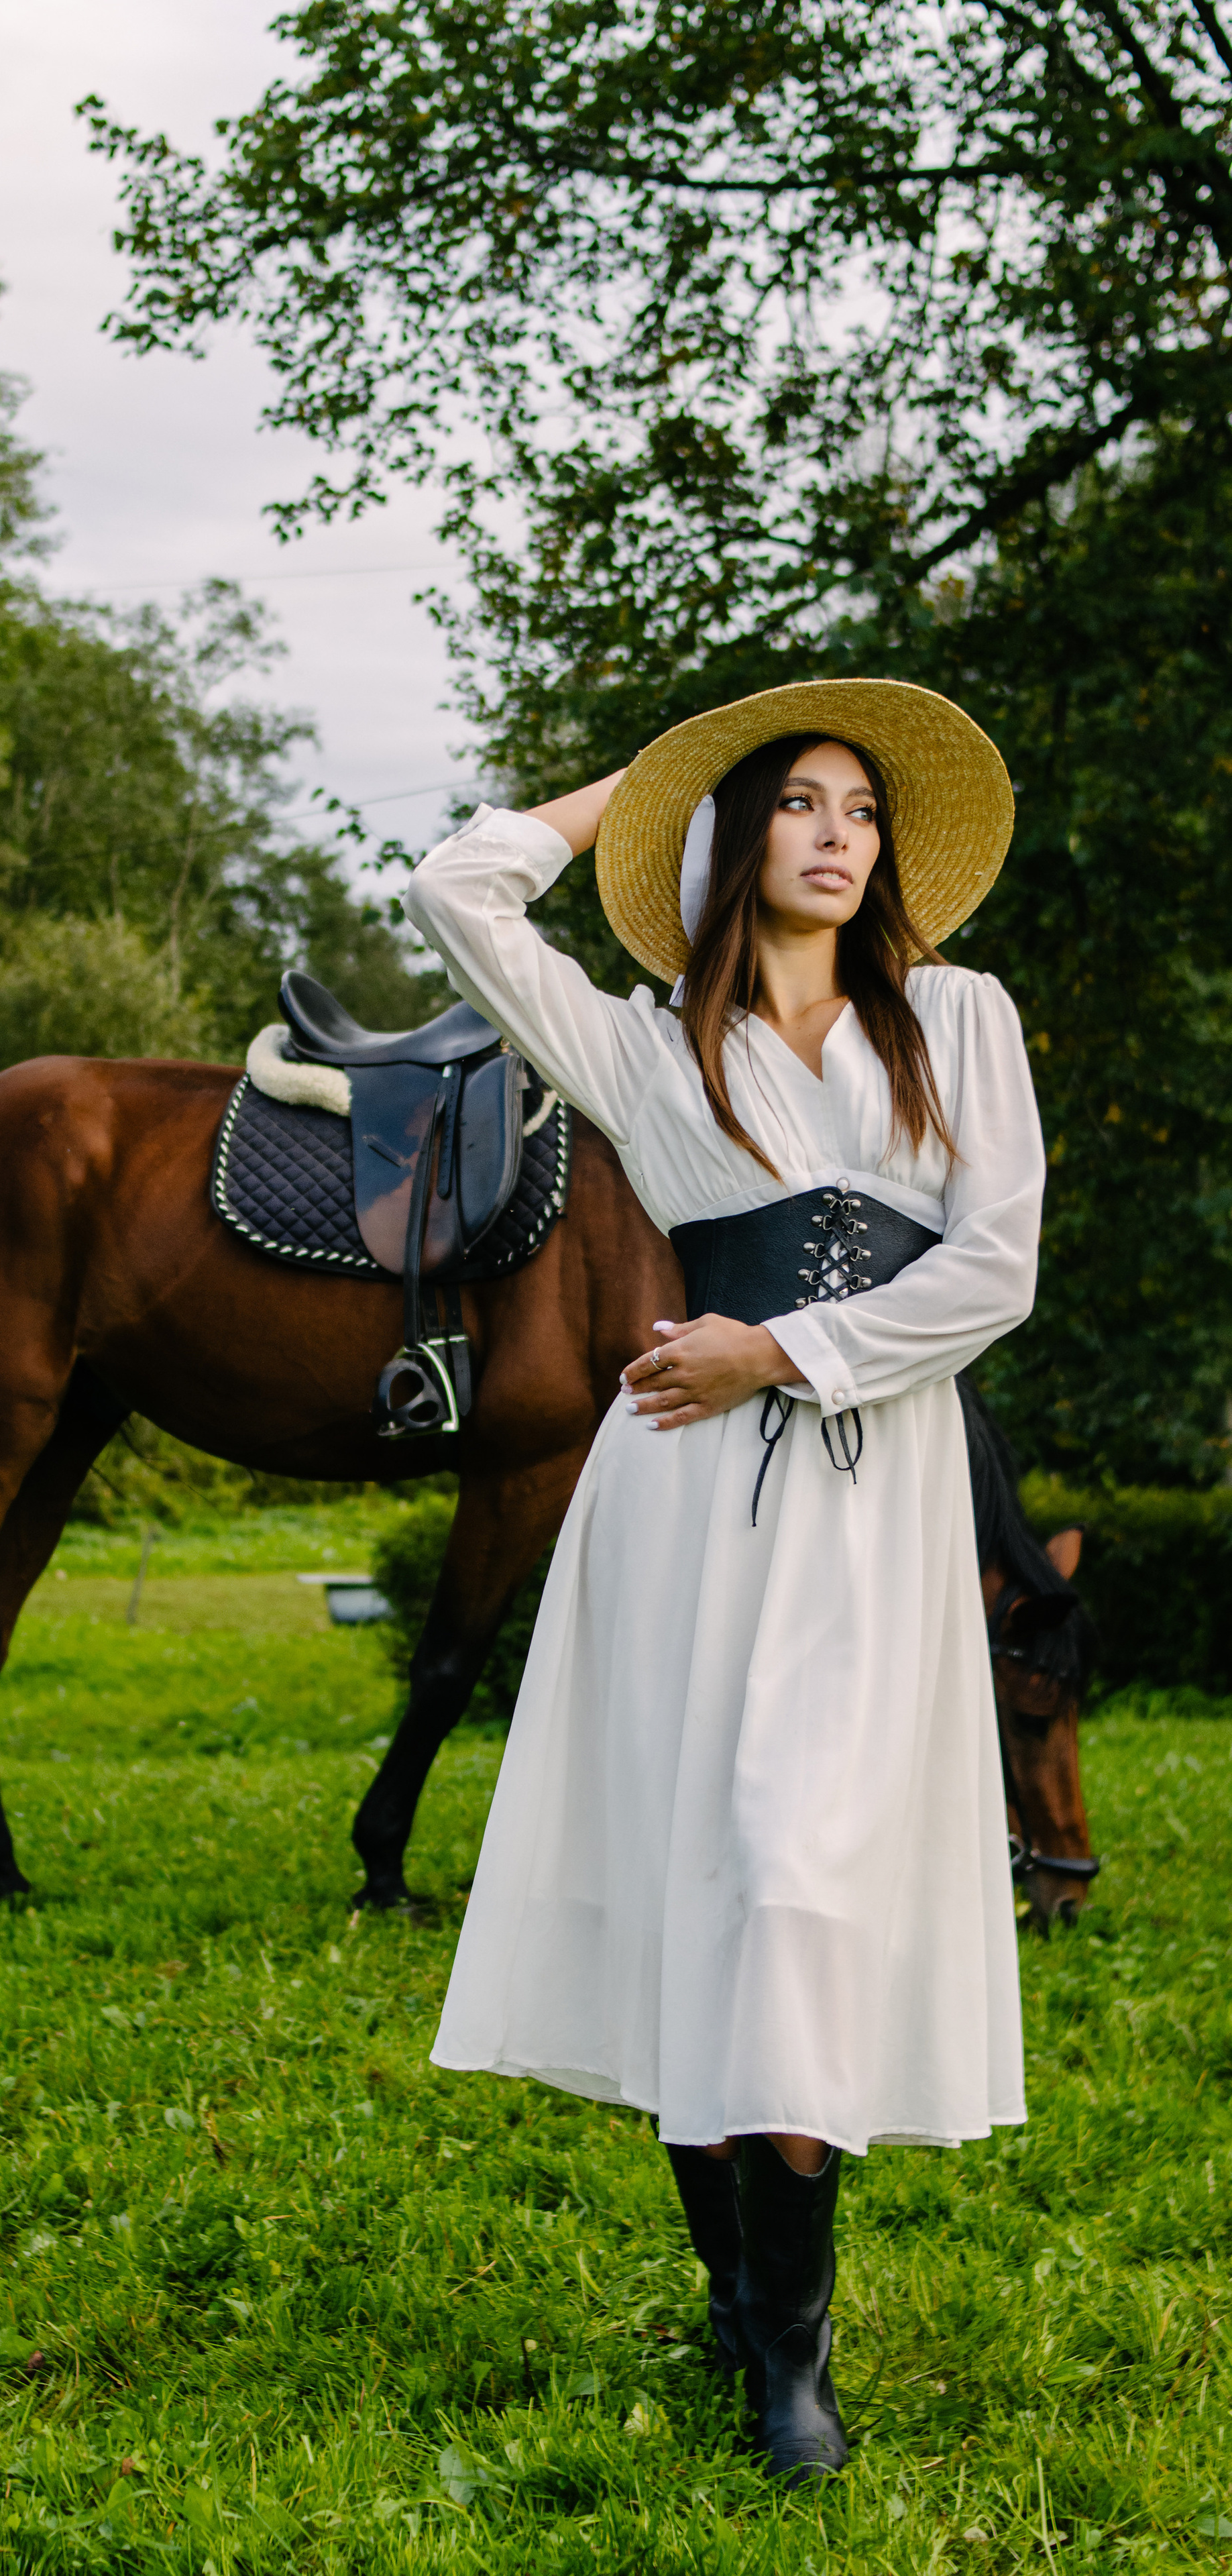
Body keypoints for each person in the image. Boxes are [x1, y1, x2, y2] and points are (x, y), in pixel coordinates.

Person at [402, 681, 1045, 2484]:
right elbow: (455, 891)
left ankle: (793, 2347)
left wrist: (781, 1351)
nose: (838, 835)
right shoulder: (640, 1048)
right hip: (685, 1507)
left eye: (862, 810)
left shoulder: (960, 1018)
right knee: (701, 1890)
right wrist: (644, 780)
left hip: (872, 1494)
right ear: (733, 838)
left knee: (793, 1875)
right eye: (798, 804)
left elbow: (996, 1267)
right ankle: (754, 2321)